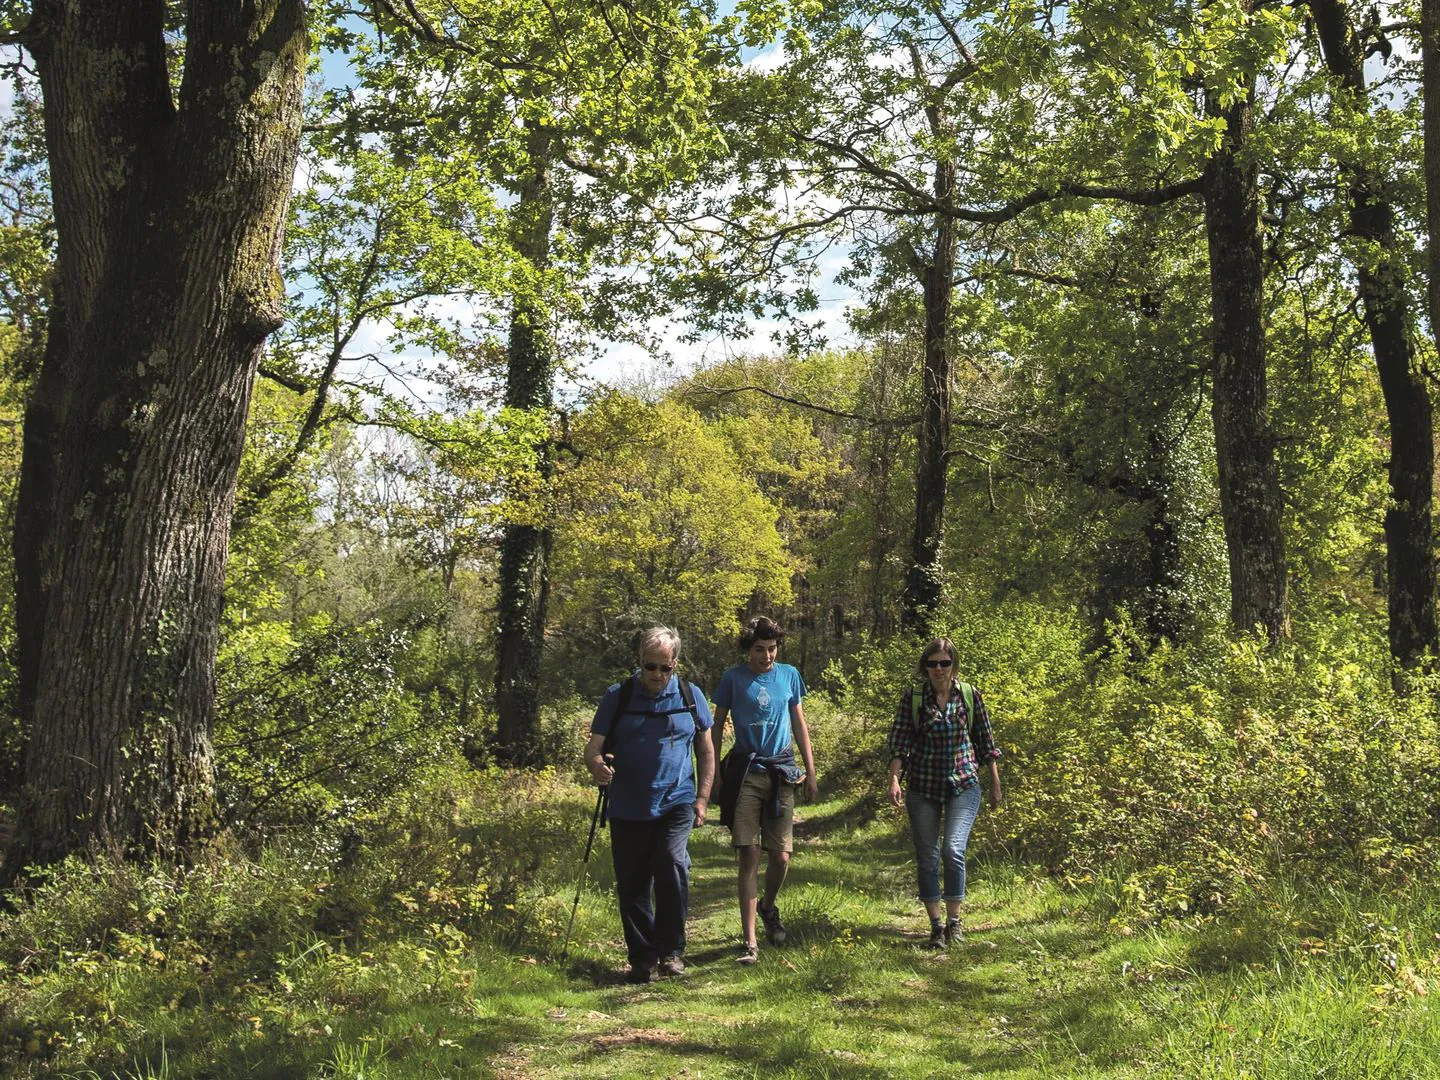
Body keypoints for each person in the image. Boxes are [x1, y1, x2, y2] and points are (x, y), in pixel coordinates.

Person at [584, 626, 715, 984]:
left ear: (676, 665)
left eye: (665, 668)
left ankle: (671, 951)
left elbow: (706, 751)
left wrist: (702, 798)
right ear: (639, 663)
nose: (657, 675)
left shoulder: (691, 696)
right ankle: (642, 958)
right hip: (628, 803)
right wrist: (596, 765)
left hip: (677, 799)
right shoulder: (619, 696)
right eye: (650, 667)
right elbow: (593, 748)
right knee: (633, 882)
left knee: (672, 864)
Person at [711, 616, 817, 964]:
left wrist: (811, 772)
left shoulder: (788, 675)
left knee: (782, 855)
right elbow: (715, 727)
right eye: (759, 649)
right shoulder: (732, 678)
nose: (766, 656)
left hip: (782, 772)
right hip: (745, 773)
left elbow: (799, 724)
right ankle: (750, 942)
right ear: (748, 649)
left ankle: (768, 907)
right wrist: (712, 775)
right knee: (749, 855)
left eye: (771, 649)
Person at [886, 636, 1002, 949]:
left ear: (953, 665)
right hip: (923, 785)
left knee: (953, 849)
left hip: (963, 784)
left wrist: (994, 783)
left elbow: (986, 742)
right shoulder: (914, 698)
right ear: (924, 666)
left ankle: (955, 921)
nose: (939, 669)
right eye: (932, 663)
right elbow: (900, 741)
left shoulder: (968, 695)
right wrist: (895, 779)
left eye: (944, 663)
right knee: (927, 855)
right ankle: (935, 925)